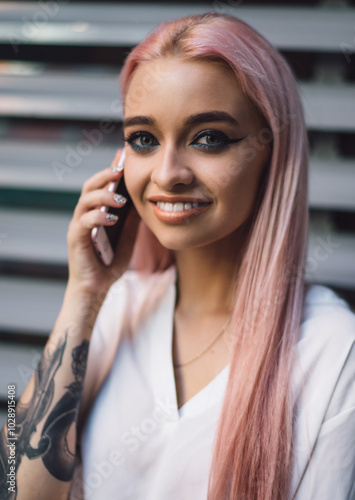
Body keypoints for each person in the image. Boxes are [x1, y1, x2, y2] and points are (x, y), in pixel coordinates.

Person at [1, 11, 354, 500]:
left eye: (208, 137)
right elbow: (15, 484)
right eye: (143, 139)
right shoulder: (116, 307)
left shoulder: (334, 354)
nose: (167, 174)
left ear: (273, 152)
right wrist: (83, 293)